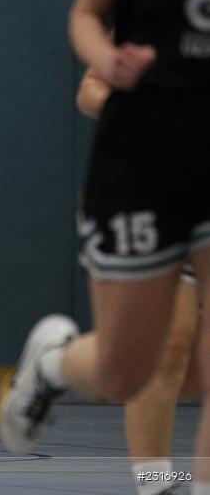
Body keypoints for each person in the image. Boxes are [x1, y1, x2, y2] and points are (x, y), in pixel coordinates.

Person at [0, 0, 210, 490]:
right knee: (139, 366)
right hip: (146, 165)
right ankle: (52, 366)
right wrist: (111, 68)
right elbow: (86, 26)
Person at [77, 69, 201, 495]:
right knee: (169, 347)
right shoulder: (161, 14)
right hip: (158, 195)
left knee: (193, 373)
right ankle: (156, 481)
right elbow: (90, 89)